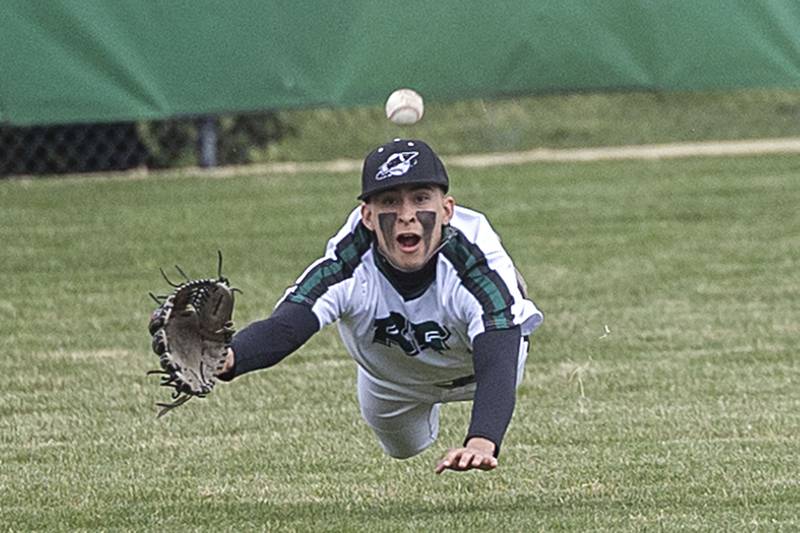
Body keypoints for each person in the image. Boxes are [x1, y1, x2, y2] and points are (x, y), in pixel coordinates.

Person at [218, 138, 543, 474]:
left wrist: (480, 441)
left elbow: (498, 358)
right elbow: (288, 325)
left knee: (503, 326)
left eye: (420, 198)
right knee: (404, 448)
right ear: (368, 217)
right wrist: (228, 358)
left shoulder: (474, 262)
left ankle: (511, 299)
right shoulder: (349, 260)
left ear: (447, 210)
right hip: (391, 378)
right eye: (389, 201)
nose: (406, 216)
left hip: (479, 369)